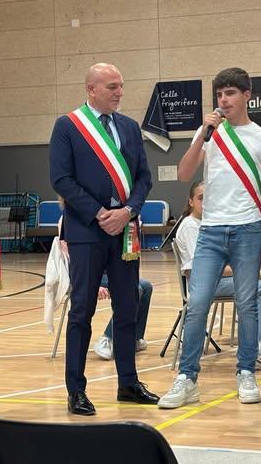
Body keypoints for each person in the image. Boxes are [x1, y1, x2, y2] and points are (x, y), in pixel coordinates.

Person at [158, 67, 261, 409]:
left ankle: (246, 372)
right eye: (219, 94)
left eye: (230, 93)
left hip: (248, 229)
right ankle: (187, 378)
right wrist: (202, 135)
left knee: (248, 304)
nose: (223, 100)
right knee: (197, 303)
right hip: (210, 231)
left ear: (247, 96)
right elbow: (184, 173)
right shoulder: (209, 133)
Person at [49, 63, 158, 416]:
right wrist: (99, 213)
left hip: (125, 230)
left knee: (127, 306)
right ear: (91, 89)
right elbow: (61, 179)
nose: (120, 92)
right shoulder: (68, 126)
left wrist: (128, 211)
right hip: (86, 231)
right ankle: (76, 390)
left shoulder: (129, 127)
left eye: (121, 85)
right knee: (82, 310)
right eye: (112, 86)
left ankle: (128, 383)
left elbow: (143, 178)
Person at [174, 181, 261, 369]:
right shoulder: (191, 226)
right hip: (207, 284)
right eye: (201, 198)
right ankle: (260, 349)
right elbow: (201, 269)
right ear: (191, 201)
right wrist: (249, 271)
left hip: (226, 278)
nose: (206, 203)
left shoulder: (212, 224)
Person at [93, 275, 153, 360]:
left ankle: (135, 338)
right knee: (134, 289)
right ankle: (107, 338)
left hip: (112, 272)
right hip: (94, 275)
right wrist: (96, 285)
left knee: (146, 287)